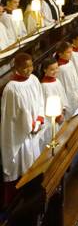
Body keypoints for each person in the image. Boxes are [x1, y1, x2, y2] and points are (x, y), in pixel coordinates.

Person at [0, 53, 44, 193]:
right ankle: (25, 190)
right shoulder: (11, 88)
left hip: (34, 128)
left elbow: (40, 101)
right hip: (21, 135)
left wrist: (39, 119)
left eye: (31, 65)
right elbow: (12, 117)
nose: (29, 69)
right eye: (25, 67)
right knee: (24, 164)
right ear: (16, 68)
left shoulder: (34, 80)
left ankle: (35, 184)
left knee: (35, 162)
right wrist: (30, 126)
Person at [39, 57, 68, 149]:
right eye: (52, 69)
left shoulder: (57, 81)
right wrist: (57, 116)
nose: (55, 71)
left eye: (56, 68)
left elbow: (62, 97)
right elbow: (46, 105)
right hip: (51, 120)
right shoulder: (44, 86)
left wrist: (63, 110)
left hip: (60, 116)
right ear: (44, 70)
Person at [56, 41, 78, 116]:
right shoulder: (60, 69)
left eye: (71, 52)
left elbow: (75, 79)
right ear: (60, 54)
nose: (71, 54)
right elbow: (62, 88)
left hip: (75, 95)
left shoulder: (70, 62)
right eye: (68, 52)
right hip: (68, 98)